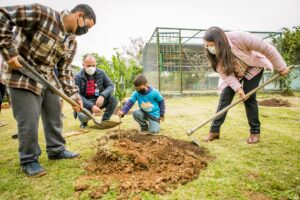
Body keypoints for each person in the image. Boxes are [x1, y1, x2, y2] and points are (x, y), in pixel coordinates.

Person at [0, 3, 96, 177]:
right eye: (86, 26)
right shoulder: (42, 13)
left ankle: (56, 149)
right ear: (79, 15)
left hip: (47, 78)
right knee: (28, 119)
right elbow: (3, 15)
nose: (85, 31)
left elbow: (65, 72)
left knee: (54, 114)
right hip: (22, 72)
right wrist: (9, 51)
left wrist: (74, 95)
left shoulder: (71, 42)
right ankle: (29, 159)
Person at [203, 27, 289, 144]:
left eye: (211, 45)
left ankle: (255, 132)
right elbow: (225, 74)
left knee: (249, 97)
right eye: (207, 45)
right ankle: (214, 131)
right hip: (233, 72)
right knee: (225, 97)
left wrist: (281, 67)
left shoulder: (241, 38)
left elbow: (267, 49)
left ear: (220, 42)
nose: (209, 48)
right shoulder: (213, 53)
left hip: (253, 65)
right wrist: (238, 89)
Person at [74, 54, 118, 128]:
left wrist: (102, 95)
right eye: (88, 66)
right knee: (83, 117)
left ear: (96, 65)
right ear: (83, 65)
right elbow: (77, 95)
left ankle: (105, 121)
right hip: (85, 102)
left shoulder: (101, 73)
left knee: (113, 99)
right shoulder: (78, 77)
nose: (91, 68)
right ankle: (84, 122)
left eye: (93, 65)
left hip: (99, 100)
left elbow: (110, 86)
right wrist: (91, 106)